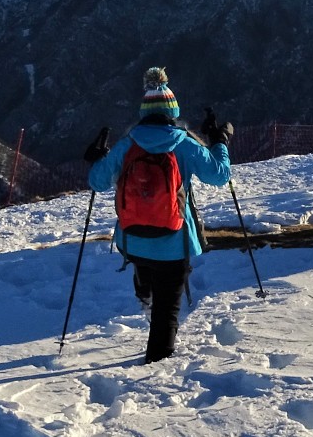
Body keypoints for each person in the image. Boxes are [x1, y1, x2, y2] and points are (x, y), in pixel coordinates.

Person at [85, 67, 233, 364]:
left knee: (146, 265)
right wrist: (220, 142)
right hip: (173, 241)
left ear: (144, 113)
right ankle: (157, 368)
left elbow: (97, 181)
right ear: (173, 111)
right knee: (167, 310)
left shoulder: (129, 143)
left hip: (133, 239)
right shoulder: (185, 143)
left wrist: (98, 158)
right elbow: (219, 176)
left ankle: (144, 286)